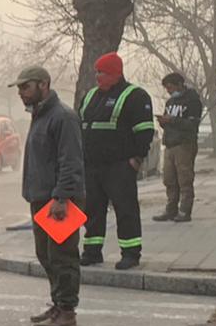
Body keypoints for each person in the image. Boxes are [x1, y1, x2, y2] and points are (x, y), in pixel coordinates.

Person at [16, 65, 85, 326]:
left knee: (62, 256)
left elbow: (70, 161)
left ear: (43, 85)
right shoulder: (41, 115)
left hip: (58, 201)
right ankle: (58, 303)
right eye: (20, 88)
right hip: (41, 199)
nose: (21, 93)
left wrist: (61, 198)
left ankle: (67, 311)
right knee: (45, 254)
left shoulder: (63, 117)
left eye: (26, 87)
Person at [78, 52, 154, 270]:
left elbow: (144, 131)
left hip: (119, 165)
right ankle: (92, 251)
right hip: (92, 165)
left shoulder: (135, 96)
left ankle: (130, 253)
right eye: (96, 72)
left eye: (101, 72)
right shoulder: (91, 95)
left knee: (125, 209)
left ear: (115, 74)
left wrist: (136, 159)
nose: (97, 77)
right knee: (92, 210)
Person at [155, 71, 203, 223]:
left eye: (170, 87)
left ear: (179, 85)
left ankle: (185, 210)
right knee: (169, 179)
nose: (168, 91)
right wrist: (163, 122)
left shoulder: (192, 101)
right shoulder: (170, 103)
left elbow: (192, 125)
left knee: (184, 179)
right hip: (170, 143)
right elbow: (168, 120)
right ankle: (171, 209)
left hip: (184, 144)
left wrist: (173, 120)